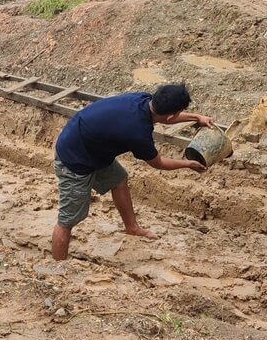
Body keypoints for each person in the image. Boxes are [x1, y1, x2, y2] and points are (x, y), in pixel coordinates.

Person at [51, 84, 214, 261]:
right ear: (170, 115)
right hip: (74, 159)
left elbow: (167, 116)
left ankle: (132, 228)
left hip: (90, 145)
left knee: (119, 179)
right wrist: (188, 164)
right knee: (68, 220)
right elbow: (158, 163)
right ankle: (59, 269)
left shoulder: (143, 99)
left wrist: (197, 117)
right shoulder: (138, 132)